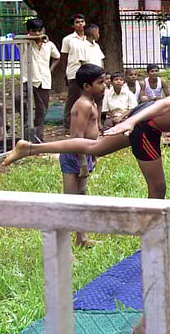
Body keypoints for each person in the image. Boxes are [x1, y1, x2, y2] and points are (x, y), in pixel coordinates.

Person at [3, 43, 170, 199]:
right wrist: (131, 122)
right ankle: (155, 233)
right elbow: (164, 104)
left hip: (147, 121)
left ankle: (30, 148)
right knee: (158, 188)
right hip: (146, 126)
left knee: (96, 147)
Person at [61, 63, 105, 247]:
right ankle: (63, 245)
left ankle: (81, 238)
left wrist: (92, 154)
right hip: (74, 155)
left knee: (81, 196)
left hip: (85, 153)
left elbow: (91, 131)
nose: (104, 86)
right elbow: (76, 136)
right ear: (87, 86)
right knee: (70, 201)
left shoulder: (92, 102)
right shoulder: (83, 105)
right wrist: (82, 162)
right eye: (100, 82)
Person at [16, 18, 60, 143]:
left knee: (41, 109)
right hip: (27, 79)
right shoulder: (25, 43)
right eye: (33, 31)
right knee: (19, 99)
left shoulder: (49, 45)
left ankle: (38, 137)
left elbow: (57, 57)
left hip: (43, 80)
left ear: (43, 30)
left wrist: (49, 70)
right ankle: (27, 130)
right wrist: (31, 38)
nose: (37, 33)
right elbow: (16, 38)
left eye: (39, 31)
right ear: (29, 32)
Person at [60, 13, 88, 129]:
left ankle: (84, 122)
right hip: (74, 72)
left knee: (86, 97)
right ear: (73, 25)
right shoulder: (68, 40)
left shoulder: (89, 37)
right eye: (77, 22)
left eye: (82, 21)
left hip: (88, 72)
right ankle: (68, 122)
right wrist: (65, 73)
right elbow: (64, 57)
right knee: (73, 97)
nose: (80, 24)